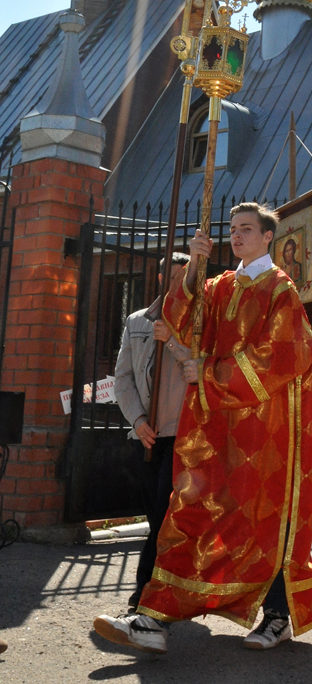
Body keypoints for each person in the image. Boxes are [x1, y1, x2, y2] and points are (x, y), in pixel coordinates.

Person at [93, 202, 312, 655]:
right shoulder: (219, 285)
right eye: (233, 229)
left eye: (247, 229)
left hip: (263, 428)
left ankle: (278, 615)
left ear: (268, 237)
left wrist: (212, 373)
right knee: (191, 512)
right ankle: (154, 618)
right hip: (214, 424)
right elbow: (176, 320)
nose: (237, 235)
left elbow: (285, 355)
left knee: (262, 520)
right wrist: (195, 265)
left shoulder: (281, 289)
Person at [113, 252, 190, 609]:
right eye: (171, 277)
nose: (177, 284)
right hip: (147, 434)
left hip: (182, 433)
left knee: (163, 514)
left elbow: (204, 367)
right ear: (160, 279)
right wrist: (138, 420)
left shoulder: (200, 320)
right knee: (155, 516)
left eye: (183, 278)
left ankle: (145, 591)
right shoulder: (136, 321)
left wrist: (172, 339)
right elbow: (123, 378)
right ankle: (170, 587)